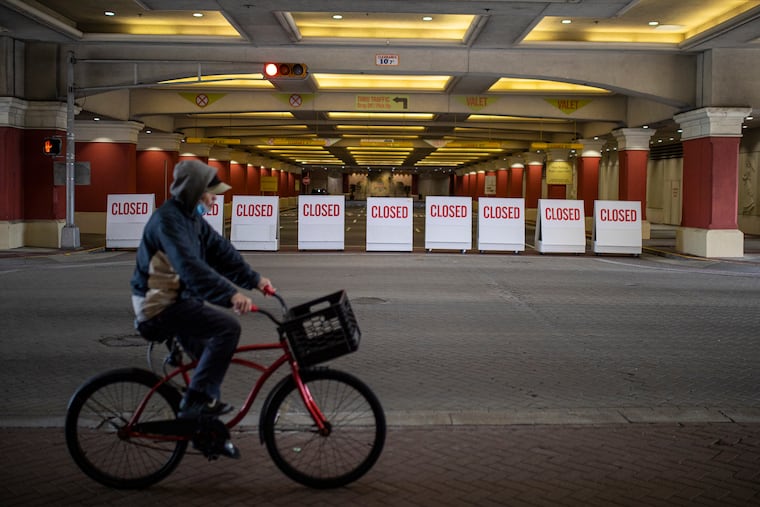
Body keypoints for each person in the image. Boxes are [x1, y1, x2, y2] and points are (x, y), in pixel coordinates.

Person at [130, 159, 274, 457]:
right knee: (227, 328)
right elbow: (190, 267)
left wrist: (255, 280)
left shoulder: (191, 219)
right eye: (210, 193)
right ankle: (196, 407)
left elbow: (221, 252)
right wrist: (230, 295)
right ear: (194, 192)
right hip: (158, 304)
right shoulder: (168, 221)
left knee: (208, 366)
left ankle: (205, 432)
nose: (214, 199)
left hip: (178, 300)